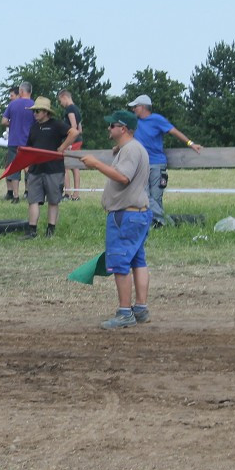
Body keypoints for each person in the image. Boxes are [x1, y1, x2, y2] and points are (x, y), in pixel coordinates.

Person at [80, 109, 152, 329]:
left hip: (125, 216)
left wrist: (97, 165)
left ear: (123, 128)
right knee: (137, 261)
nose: (108, 128)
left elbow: (123, 177)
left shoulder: (130, 150)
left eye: (112, 125)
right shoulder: (133, 148)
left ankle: (124, 313)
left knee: (120, 264)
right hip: (138, 214)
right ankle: (140, 308)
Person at [127, 94, 203, 228]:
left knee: (155, 197)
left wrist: (191, 143)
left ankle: (157, 224)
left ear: (143, 107)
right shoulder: (134, 122)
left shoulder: (157, 119)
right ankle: (166, 222)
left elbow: (174, 131)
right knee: (143, 195)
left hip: (157, 164)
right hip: (141, 164)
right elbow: (128, 138)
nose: (133, 109)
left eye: (135, 107)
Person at [21, 96, 78, 239]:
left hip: (53, 169)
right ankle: (32, 230)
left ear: (46, 112)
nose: (35, 114)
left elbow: (74, 132)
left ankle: (50, 231)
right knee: (33, 200)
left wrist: (62, 147)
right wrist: (26, 165)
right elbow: (29, 148)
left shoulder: (57, 125)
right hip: (35, 170)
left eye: (38, 111)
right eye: (34, 111)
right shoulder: (33, 128)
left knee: (53, 201)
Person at [1, 82, 34, 203]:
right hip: (29, 142)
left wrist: (13, 122)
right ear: (30, 91)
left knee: (14, 168)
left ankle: (15, 196)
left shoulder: (13, 104)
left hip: (14, 141)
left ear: (21, 91)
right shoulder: (34, 105)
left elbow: (4, 121)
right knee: (29, 168)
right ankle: (30, 192)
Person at [57, 89, 83, 200]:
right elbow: (80, 129)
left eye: (60, 101)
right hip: (79, 140)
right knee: (75, 167)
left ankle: (67, 194)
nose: (61, 104)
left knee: (65, 167)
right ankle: (76, 194)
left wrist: (69, 142)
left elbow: (74, 126)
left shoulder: (70, 109)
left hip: (72, 141)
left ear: (64, 97)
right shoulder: (77, 109)